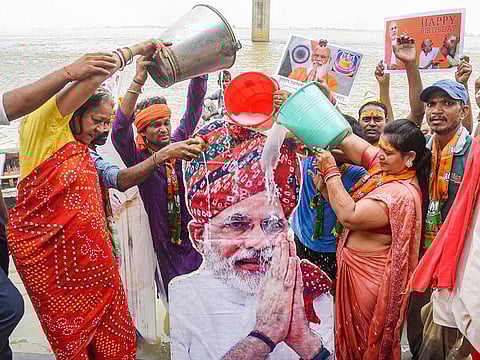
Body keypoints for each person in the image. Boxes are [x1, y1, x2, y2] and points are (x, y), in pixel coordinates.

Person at [8, 40, 158, 359]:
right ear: (76, 111)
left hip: (98, 271)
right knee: (72, 343)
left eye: (108, 122)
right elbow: (92, 76)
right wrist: (134, 51)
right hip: (52, 266)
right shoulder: (45, 127)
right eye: (97, 120)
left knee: (115, 343)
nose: (102, 130)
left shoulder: (82, 151)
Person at [169, 118, 334, 359]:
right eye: (237, 225)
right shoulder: (186, 295)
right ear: (199, 236)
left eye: (273, 225)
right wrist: (264, 335)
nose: (259, 242)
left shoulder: (310, 291)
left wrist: (305, 341)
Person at [315, 119, 429, 359]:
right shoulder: (385, 169)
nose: (381, 156)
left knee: (364, 340)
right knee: (349, 338)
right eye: (380, 148)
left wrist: (331, 172)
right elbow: (344, 137)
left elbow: (350, 216)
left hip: (370, 281)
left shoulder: (400, 193)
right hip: (353, 270)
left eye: (387, 152)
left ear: (409, 157)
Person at [111, 54, 208, 299]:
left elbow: (194, 107)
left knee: (201, 296)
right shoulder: (138, 158)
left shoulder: (179, 144)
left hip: (192, 239)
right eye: (155, 125)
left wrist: (200, 65)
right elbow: (120, 129)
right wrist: (138, 79)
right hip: (162, 245)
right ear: (143, 131)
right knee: (175, 300)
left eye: (166, 122)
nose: (163, 128)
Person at [409, 136, 480, 358]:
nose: (437, 110)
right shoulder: (423, 148)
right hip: (438, 258)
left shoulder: (470, 148)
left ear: (463, 109)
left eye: (448, 103)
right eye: (432, 104)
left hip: (455, 261)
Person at [291, 114, 366, 281]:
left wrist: (326, 189)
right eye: (330, 144)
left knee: (329, 294)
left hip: (334, 249)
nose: (332, 152)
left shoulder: (360, 174)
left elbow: (352, 218)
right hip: (301, 239)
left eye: (340, 148)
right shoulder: (307, 160)